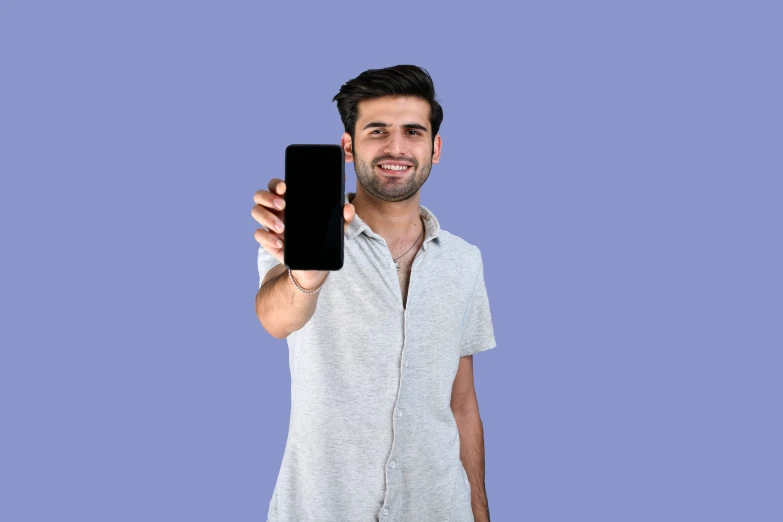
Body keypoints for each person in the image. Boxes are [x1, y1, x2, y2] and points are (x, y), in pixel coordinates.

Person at [251, 64, 497, 522]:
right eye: (377, 131)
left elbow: (462, 403)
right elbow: (275, 318)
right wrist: (307, 272)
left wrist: (480, 513)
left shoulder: (465, 261)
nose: (396, 147)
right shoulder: (297, 235)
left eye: (413, 132)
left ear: (435, 148)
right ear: (349, 146)